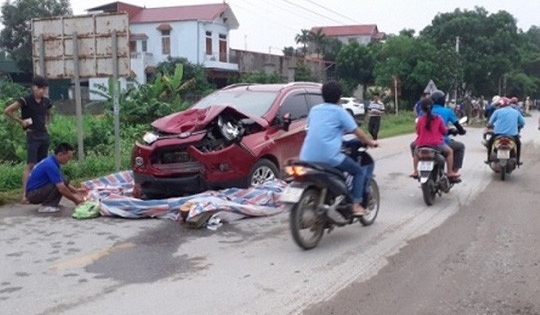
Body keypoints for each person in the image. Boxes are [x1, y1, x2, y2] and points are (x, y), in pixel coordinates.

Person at [300, 80, 378, 216]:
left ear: (322, 95)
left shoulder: (314, 110)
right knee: (359, 171)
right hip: (329, 157)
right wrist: (370, 142)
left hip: (306, 157)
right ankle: (356, 205)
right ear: (339, 96)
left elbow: (313, 129)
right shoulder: (340, 112)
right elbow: (356, 131)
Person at [4, 75, 53, 204]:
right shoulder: (25, 100)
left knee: (42, 165)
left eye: (44, 88)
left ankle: (41, 193)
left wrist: (47, 124)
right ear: (33, 87)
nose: (41, 91)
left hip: (44, 135)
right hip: (32, 135)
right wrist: (21, 122)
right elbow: (8, 110)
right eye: (39, 88)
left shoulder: (46, 101)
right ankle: (24, 194)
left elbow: (49, 113)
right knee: (31, 165)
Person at [25, 143, 87, 213]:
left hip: (35, 191)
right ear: (60, 154)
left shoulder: (52, 161)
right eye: (68, 158)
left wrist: (76, 191)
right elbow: (62, 188)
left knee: (64, 179)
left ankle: (51, 204)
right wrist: (76, 200)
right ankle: (47, 205)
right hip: (33, 194)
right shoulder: (50, 165)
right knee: (61, 184)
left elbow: (61, 180)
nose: (68, 161)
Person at [410, 98, 460, 179]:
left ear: (422, 108)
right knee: (450, 151)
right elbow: (444, 131)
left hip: (421, 144)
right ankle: (450, 172)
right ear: (432, 107)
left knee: (416, 152)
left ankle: (415, 171)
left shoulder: (420, 119)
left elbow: (418, 132)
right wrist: (449, 130)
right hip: (436, 144)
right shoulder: (438, 118)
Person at [428, 90, 466, 173]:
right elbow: (456, 126)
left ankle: (416, 170)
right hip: (440, 141)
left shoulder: (425, 112)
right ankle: (453, 172)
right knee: (460, 147)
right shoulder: (447, 111)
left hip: (424, 143)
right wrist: (461, 131)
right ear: (443, 100)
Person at [485, 97, 525, 165]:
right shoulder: (516, 112)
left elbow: (490, 122)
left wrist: (489, 125)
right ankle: (518, 160)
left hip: (497, 134)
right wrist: (518, 125)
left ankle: (488, 159)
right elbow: (523, 122)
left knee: (490, 143)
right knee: (518, 144)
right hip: (512, 135)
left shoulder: (497, 111)